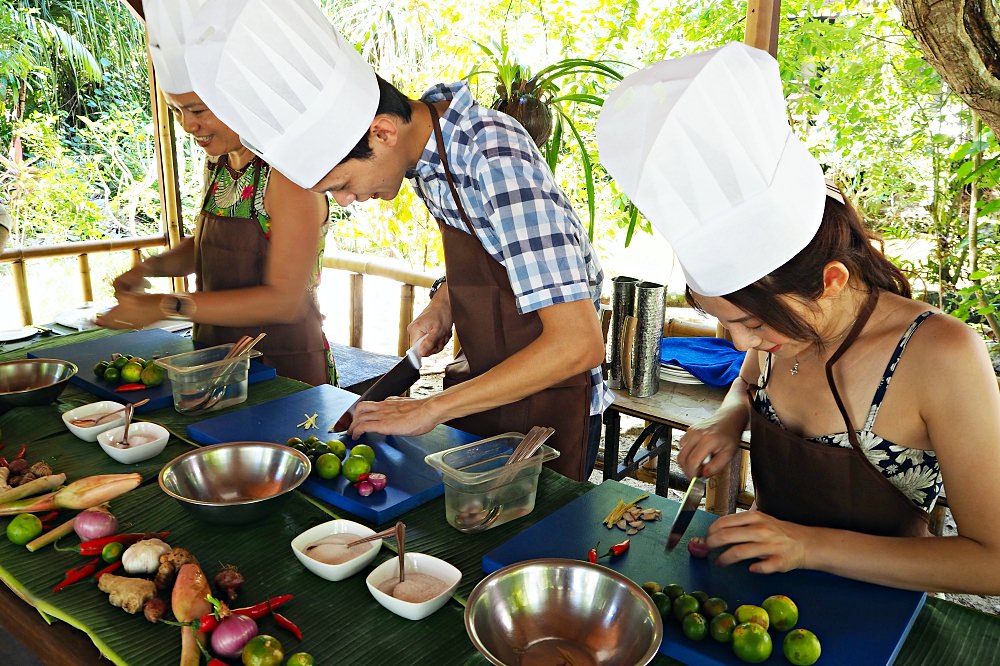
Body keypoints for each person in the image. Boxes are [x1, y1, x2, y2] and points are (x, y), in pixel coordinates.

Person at [597, 42, 1000, 594]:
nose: (743, 343)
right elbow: (745, 385)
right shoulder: (777, 334)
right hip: (760, 594)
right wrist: (728, 419)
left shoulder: (941, 355)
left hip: (878, 614)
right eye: (726, 322)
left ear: (832, 280)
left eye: (756, 325)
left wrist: (808, 546)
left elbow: (992, 560)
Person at [185, 0, 610, 481]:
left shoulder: (492, 155)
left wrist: (432, 408)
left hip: (551, 404)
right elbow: (505, 258)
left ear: (381, 131)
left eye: (341, 183)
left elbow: (578, 342)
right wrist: (444, 304)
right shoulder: (429, 158)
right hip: (489, 387)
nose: (345, 201)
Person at [98, 0, 335, 386]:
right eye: (177, 112)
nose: (189, 125)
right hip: (215, 356)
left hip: (282, 365)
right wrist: (150, 269)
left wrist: (166, 306)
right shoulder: (222, 163)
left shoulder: (288, 175)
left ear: (238, 98)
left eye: (198, 110)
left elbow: (284, 299)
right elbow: (211, 246)